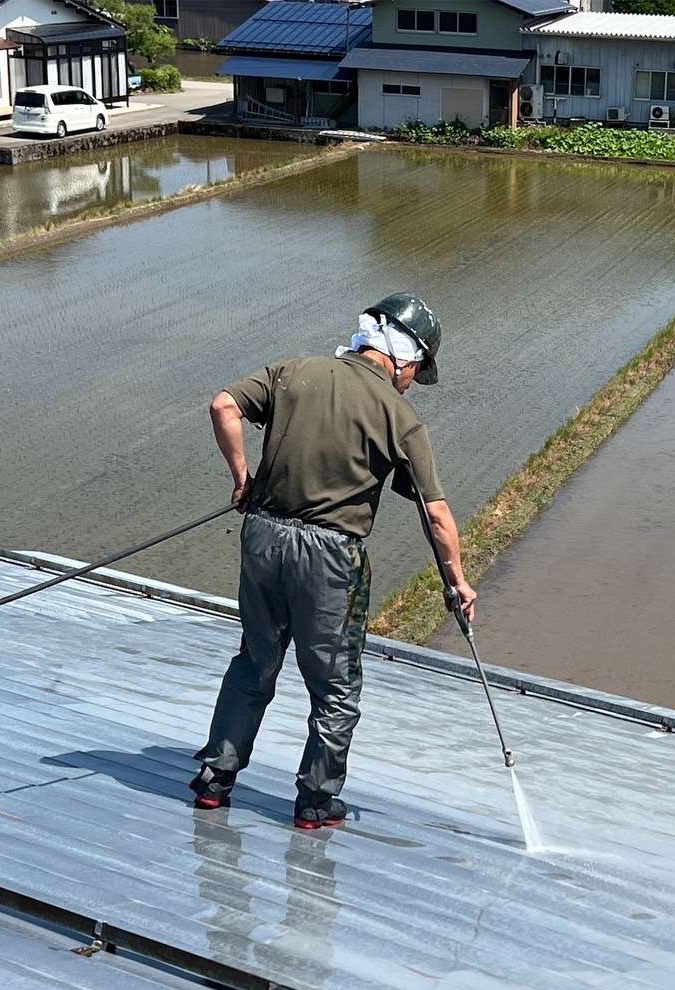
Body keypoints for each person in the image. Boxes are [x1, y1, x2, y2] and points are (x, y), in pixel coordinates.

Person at [191, 294, 476, 828]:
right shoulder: (400, 416)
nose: (412, 380)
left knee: (255, 661)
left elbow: (223, 405)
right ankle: (315, 801)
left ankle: (215, 780)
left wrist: (241, 479)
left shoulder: (293, 372)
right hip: (329, 556)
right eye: (416, 369)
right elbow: (434, 514)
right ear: (403, 357)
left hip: (263, 537)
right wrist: (456, 581)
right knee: (335, 685)